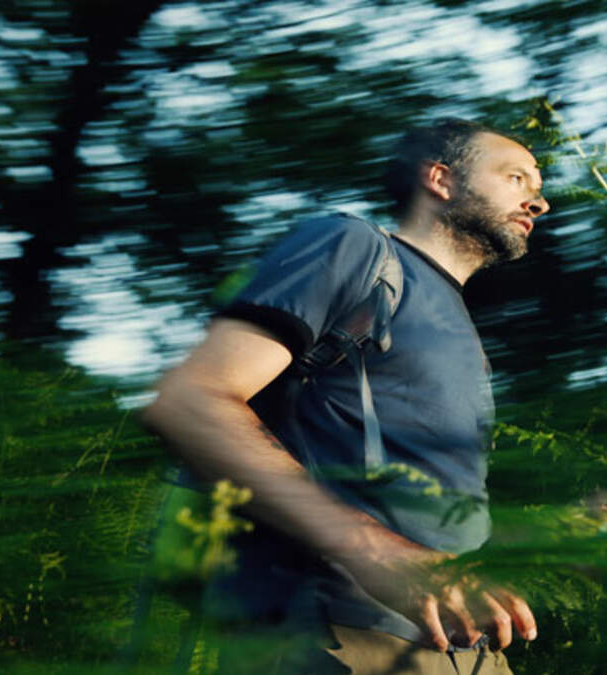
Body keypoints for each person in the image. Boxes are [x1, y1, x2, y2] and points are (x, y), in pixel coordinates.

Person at [142, 118, 550, 673]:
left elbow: (421, 511)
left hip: (463, 653)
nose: (539, 201)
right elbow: (191, 401)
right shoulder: (355, 249)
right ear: (441, 179)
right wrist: (377, 552)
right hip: (342, 635)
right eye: (517, 178)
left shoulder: (460, 328)